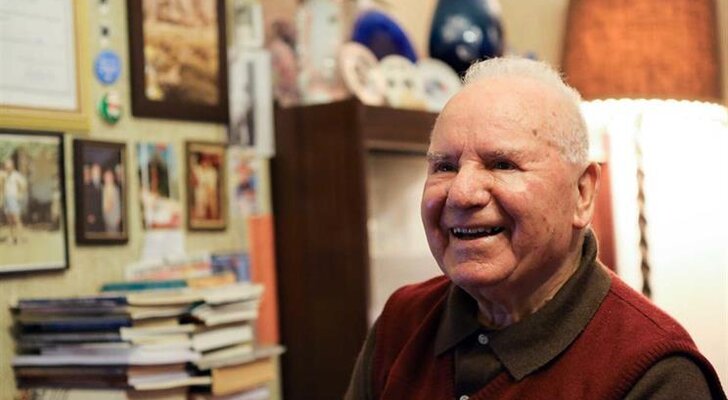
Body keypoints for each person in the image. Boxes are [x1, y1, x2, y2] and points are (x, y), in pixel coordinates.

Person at [345, 57, 726, 399]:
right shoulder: (402, 322)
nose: (461, 194)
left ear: (581, 193)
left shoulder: (654, 373)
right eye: (445, 166)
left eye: (502, 164)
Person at [2, 158, 27, 244]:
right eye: (6, 167)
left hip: (13, 198)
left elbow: (23, 185)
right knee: (9, 221)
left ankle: (19, 238)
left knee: (16, 220)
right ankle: (12, 237)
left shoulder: (16, 175)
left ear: (12, 166)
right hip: (6, 198)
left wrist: (20, 195)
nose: (7, 168)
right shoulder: (5, 175)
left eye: (9, 167)